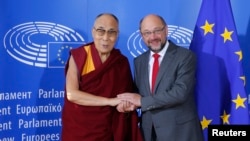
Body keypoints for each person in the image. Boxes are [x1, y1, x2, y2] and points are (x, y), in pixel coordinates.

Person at [117, 14, 204, 141]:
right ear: (141, 36)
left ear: (166, 30)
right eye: (147, 33)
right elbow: (139, 93)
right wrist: (127, 103)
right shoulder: (139, 61)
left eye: (157, 31)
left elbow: (180, 93)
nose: (152, 37)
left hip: (180, 133)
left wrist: (141, 102)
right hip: (149, 133)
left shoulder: (185, 56)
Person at [61, 13, 143, 141]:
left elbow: (126, 96)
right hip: (79, 129)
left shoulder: (121, 62)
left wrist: (125, 106)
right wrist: (109, 101)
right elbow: (72, 94)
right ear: (93, 32)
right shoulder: (79, 56)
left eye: (111, 32)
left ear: (117, 35)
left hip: (109, 130)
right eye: (101, 31)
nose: (105, 37)